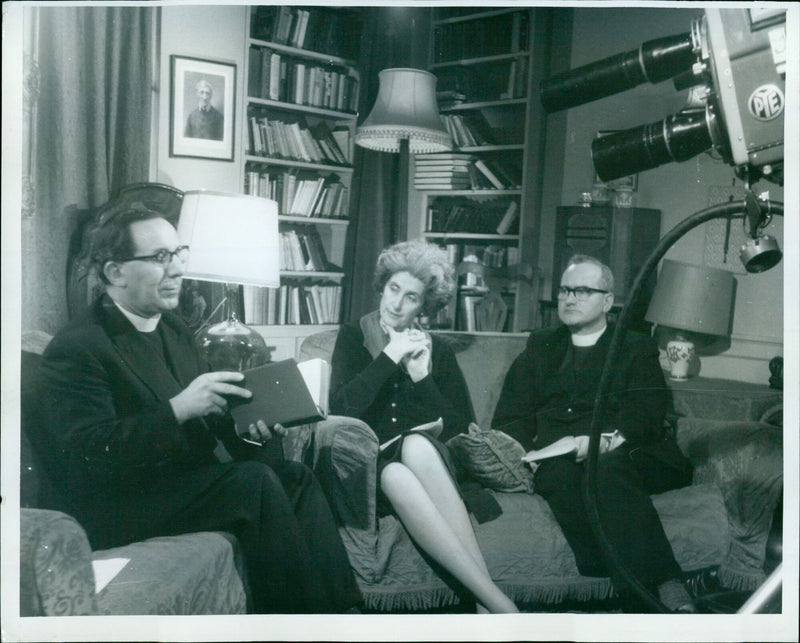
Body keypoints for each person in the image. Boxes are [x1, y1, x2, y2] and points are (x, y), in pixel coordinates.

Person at [34, 206, 362, 614]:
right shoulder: (79, 347)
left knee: (296, 477)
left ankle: (344, 614)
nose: (176, 270)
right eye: (159, 258)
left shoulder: (174, 329)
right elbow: (86, 453)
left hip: (175, 486)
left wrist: (251, 426)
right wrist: (176, 410)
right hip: (115, 505)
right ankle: (297, 622)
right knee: (254, 483)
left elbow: (214, 414)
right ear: (115, 272)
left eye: (178, 253)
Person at [492, 254, 696, 613]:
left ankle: (666, 580)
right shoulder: (540, 346)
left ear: (606, 301)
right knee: (558, 475)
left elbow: (647, 415)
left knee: (608, 469)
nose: (570, 298)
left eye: (583, 291)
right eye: (565, 290)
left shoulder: (634, 347)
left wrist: (603, 442)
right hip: (559, 461)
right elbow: (511, 418)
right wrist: (526, 456)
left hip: (628, 455)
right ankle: (639, 594)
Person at [328, 239, 518, 614]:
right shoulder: (353, 336)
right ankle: (495, 603)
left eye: (411, 297)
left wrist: (420, 377)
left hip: (428, 464)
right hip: (372, 466)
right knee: (395, 472)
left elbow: (462, 429)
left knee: (415, 446)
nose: (396, 304)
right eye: (393, 289)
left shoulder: (437, 349)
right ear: (383, 286)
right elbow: (341, 409)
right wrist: (388, 357)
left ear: (424, 306)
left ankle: (488, 605)